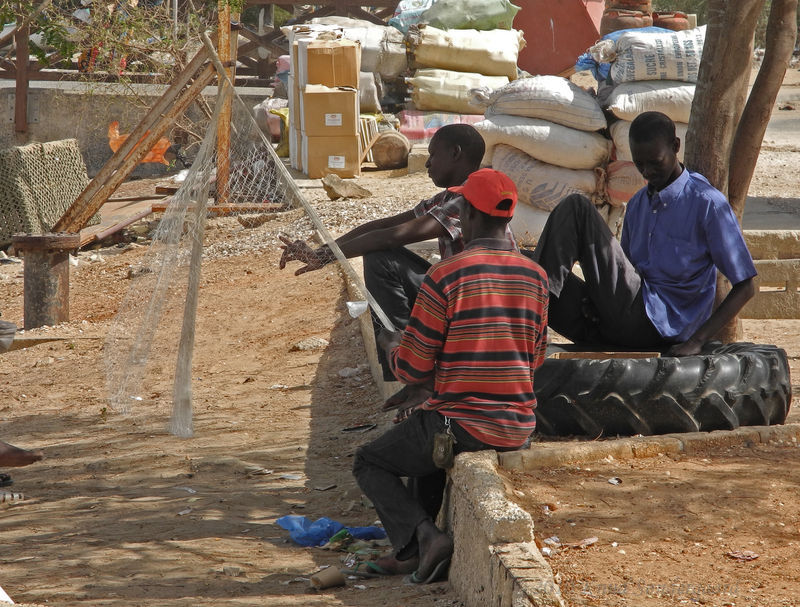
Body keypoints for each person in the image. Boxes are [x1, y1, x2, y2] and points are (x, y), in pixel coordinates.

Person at [352, 169, 549, 584]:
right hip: (519, 425)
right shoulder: (535, 276)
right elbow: (535, 358)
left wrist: (392, 344)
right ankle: (411, 551)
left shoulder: (447, 276)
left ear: (469, 217)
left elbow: (413, 366)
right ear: (507, 219)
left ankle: (425, 538)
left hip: (464, 424)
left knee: (370, 462)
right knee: (422, 431)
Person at [278, 124, 516, 408]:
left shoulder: (467, 200)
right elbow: (384, 224)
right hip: (461, 294)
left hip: (476, 303)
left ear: (455, 154)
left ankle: (415, 375)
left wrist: (325, 257)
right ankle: (411, 374)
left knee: (381, 258)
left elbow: (394, 236)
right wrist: (323, 252)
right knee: (381, 254)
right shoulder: (447, 198)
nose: (426, 163)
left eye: (432, 155)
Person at [526, 111, 756, 356]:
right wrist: (595, 300)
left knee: (577, 208)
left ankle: (530, 316)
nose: (647, 172)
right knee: (525, 265)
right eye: (639, 164)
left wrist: (697, 341)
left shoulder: (706, 203)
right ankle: (529, 308)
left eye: (655, 162)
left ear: (675, 146)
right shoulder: (637, 204)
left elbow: (746, 286)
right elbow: (625, 276)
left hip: (658, 327)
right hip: (622, 323)